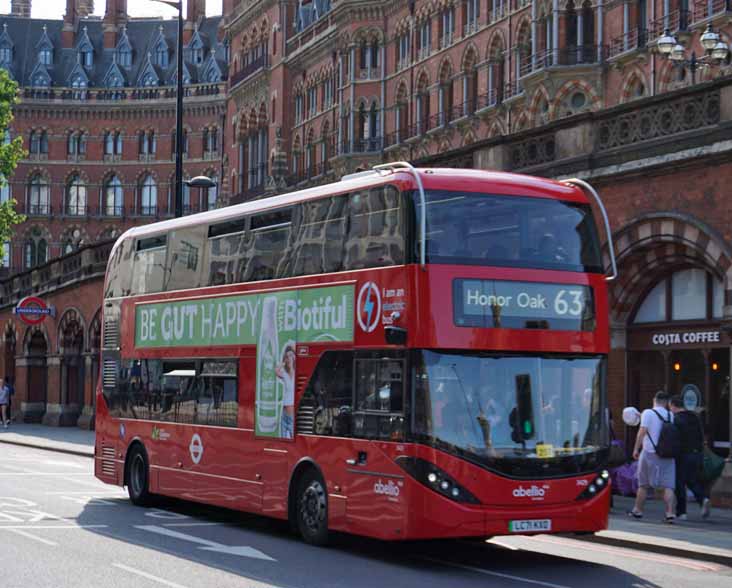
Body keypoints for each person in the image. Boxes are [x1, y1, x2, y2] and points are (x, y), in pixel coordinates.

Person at [629, 391, 677, 523]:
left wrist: (635, 449)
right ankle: (670, 513)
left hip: (650, 452)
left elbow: (642, 432)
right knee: (668, 486)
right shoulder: (670, 415)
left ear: (654, 400)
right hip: (667, 454)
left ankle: (638, 510)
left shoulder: (648, 413)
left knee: (643, 484)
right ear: (667, 402)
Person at [670, 395, 711, 520]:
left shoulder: (676, 419)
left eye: (670, 406)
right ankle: (703, 499)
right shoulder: (694, 417)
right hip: (697, 453)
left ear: (673, 406)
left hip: (683, 455)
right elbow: (701, 435)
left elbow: (675, 438)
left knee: (679, 483)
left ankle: (681, 512)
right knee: (692, 480)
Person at [275, 343, 296, 439]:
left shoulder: (297, 373)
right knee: (283, 439)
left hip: (291, 413)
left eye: (291, 355)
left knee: (292, 436)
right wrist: (283, 362)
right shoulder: (285, 374)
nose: (289, 358)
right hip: (284, 411)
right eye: (287, 356)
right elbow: (276, 371)